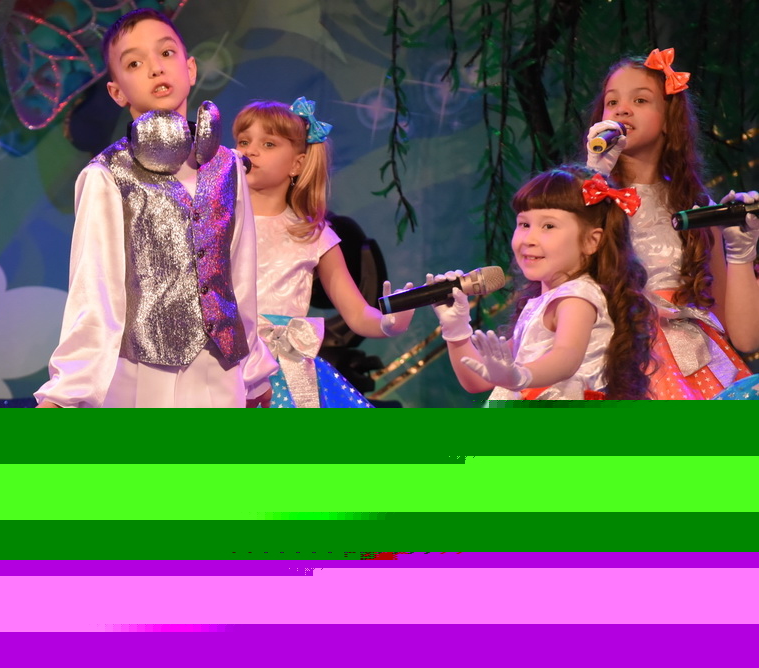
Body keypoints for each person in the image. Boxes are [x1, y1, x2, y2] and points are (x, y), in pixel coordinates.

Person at [34, 8, 277, 407]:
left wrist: (252, 372)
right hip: (141, 375)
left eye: (166, 53)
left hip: (221, 374)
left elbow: (241, 275)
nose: (155, 68)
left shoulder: (228, 166)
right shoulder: (106, 175)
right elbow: (95, 292)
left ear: (190, 68)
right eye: (134, 63)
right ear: (117, 92)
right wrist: (67, 391)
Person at [584, 48, 753, 398]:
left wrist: (743, 254)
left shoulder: (696, 208)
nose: (622, 110)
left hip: (688, 365)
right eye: (612, 102)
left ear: (668, 120)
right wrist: (592, 180)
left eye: (640, 100)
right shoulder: (581, 196)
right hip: (607, 353)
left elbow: (745, 336)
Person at [232, 97, 415, 407]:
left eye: (268, 144)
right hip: (225, 364)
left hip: (284, 374)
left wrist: (390, 322)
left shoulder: (312, 234)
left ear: (297, 164)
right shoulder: (217, 223)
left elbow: (357, 313)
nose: (251, 151)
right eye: (243, 141)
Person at [433, 165, 653, 401]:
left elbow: (566, 356)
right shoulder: (543, 302)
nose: (529, 239)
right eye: (524, 225)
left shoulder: (577, 297)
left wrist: (521, 376)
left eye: (548, 226)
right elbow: (478, 380)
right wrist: (456, 330)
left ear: (591, 241)